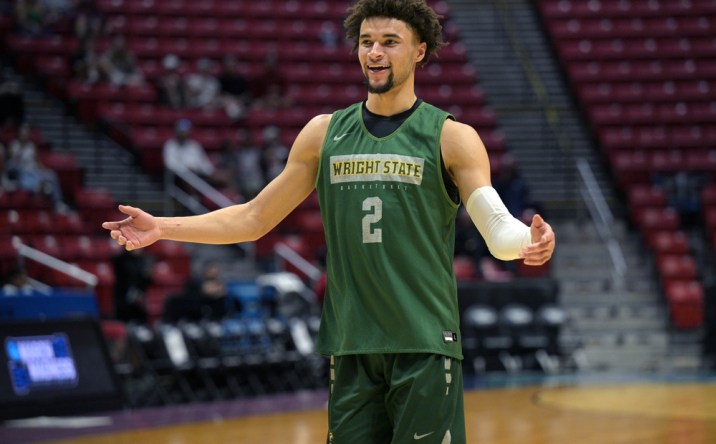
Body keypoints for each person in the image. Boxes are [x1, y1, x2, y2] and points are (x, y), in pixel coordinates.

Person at [102, 1, 555, 441]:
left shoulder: (452, 137)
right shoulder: (324, 133)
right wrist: (162, 227)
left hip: (424, 342)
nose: (374, 52)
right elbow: (254, 217)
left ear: (420, 51)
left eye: (390, 42)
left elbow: (495, 226)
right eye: (366, 42)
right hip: (351, 343)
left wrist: (523, 242)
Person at [111, 248, 152, 324]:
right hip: (123, 296)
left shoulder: (144, 260)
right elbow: (123, 276)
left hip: (139, 296)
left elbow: (147, 280)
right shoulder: (121, 259)